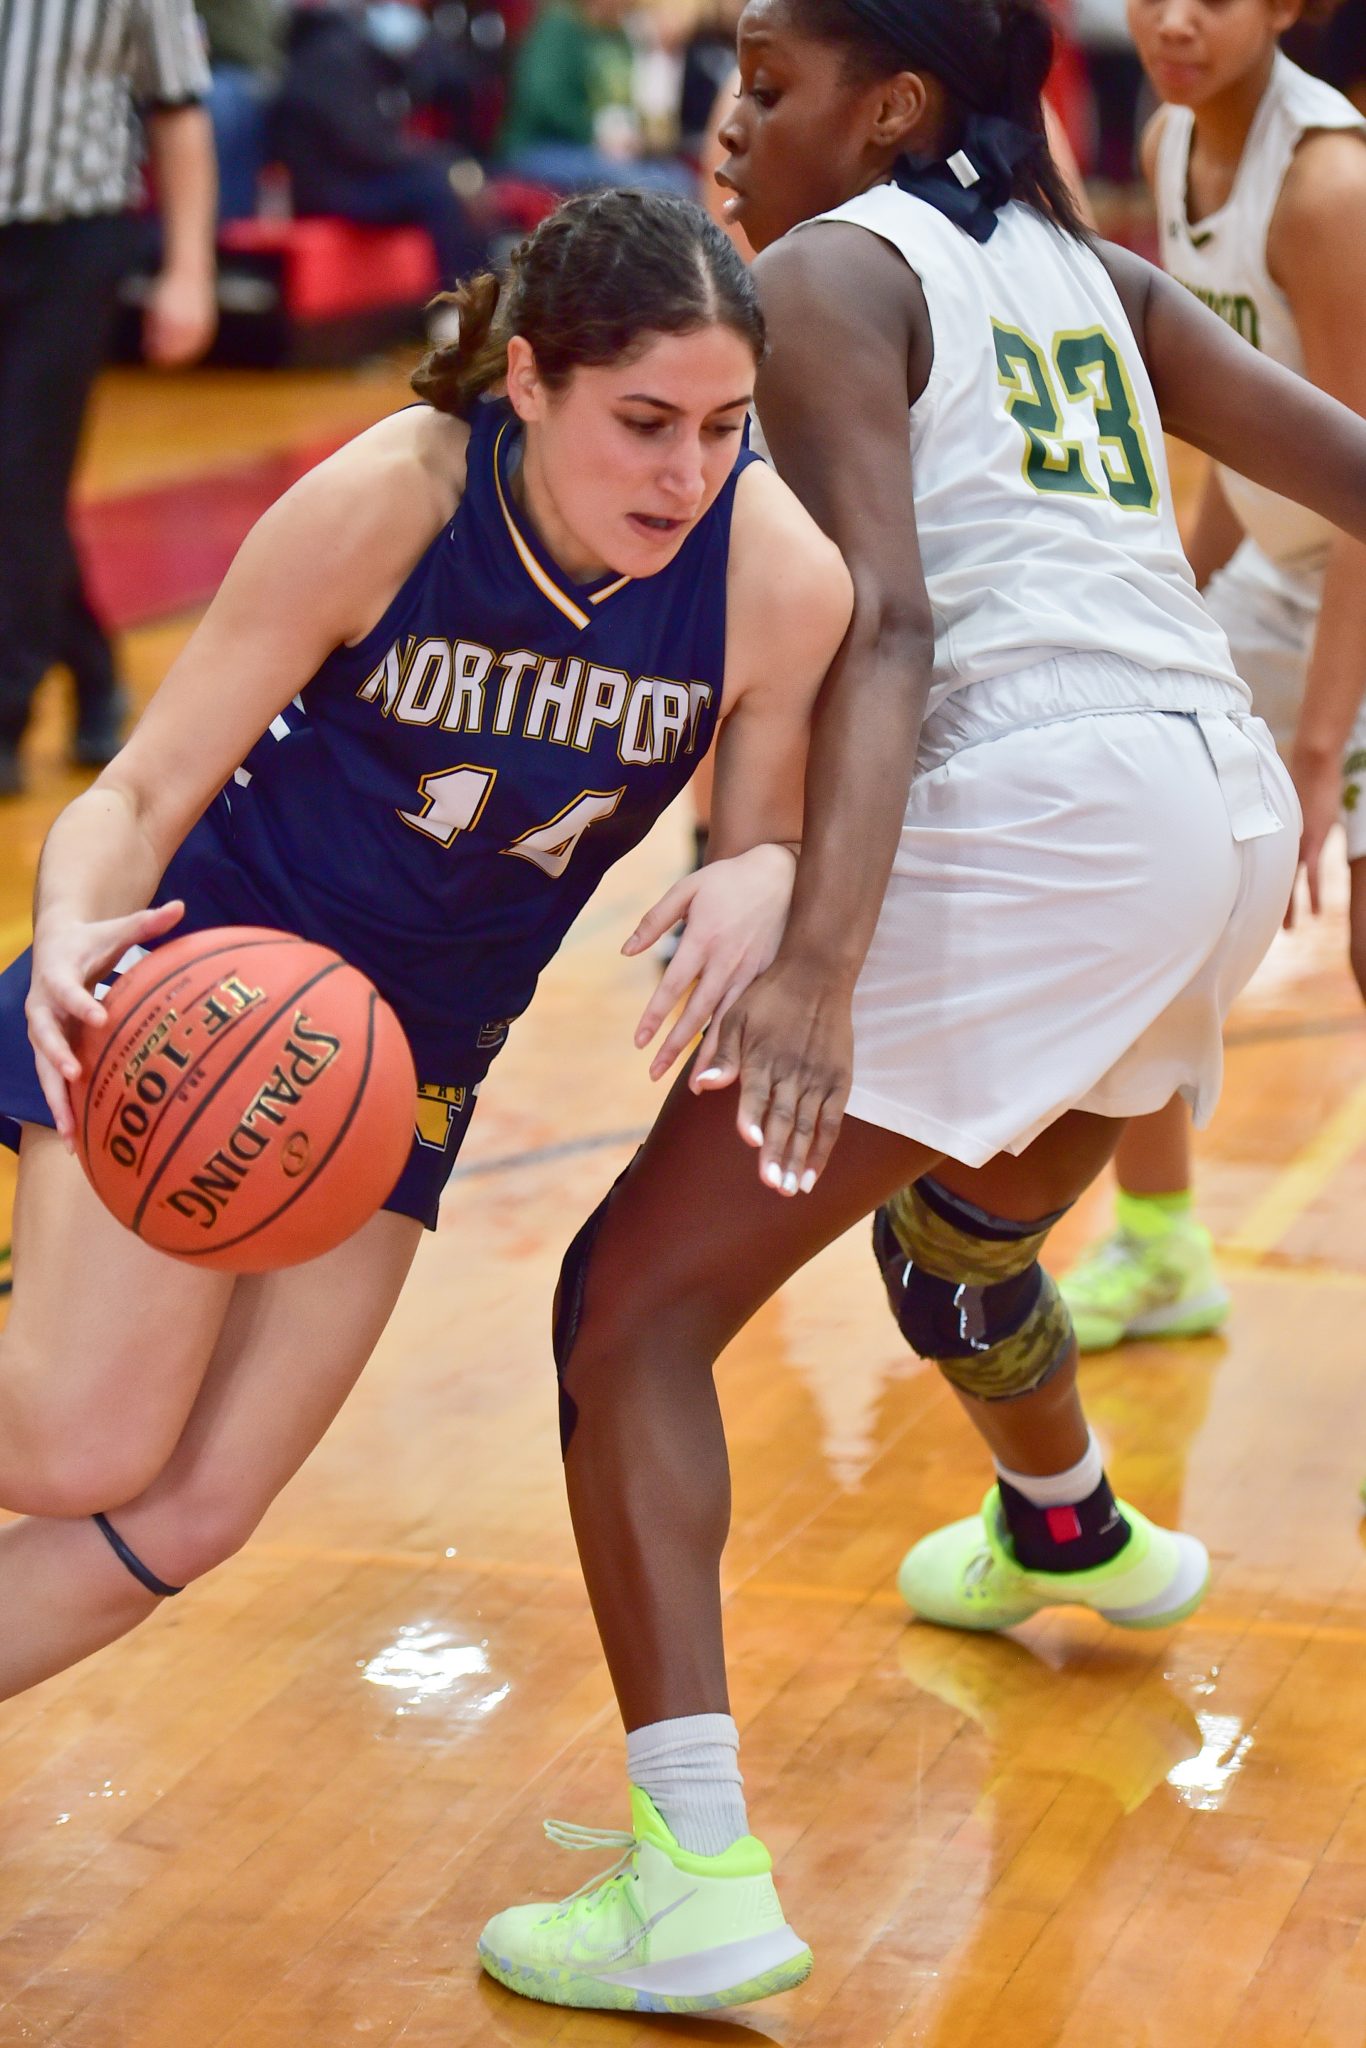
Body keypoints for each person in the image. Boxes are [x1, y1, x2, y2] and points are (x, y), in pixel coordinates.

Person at [477, 0, 1366, 2014]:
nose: (732, 127)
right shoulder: (1089, 269)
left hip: (1033, 801)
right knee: (958, 1227)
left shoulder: (822, 267)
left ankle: (688, 1870)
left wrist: (812, 958)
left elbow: (881, 618)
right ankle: (1063, 1527)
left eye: (770, 89)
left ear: (889, 107)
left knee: (628, 1310)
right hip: (1200, 809)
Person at [0, 190, 852, 1813]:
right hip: (208, 979)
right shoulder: (393, 498)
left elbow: (773, 832)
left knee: (189, 1513)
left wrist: (767, 873)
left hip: (405, 1073)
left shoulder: (773, 580)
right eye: (645, 424)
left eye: (726, 428)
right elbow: (139, 788)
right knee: (74, 1447)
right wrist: (66, 931)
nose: (687, 475)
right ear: (527, 381)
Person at [1059, 0, 1366, 1353]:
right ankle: (1162, 1249)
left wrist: (1315, 753)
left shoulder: (1326, 186)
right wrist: (1169, 595)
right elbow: (1256, 424)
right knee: (1136, 873)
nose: (1174, 18)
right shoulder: (1169, 127)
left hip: (1354, 578)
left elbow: (1359, 485)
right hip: (1277, 575)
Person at [0, 0, 218, 796]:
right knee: (23, 497)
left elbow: (179, 105)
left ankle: (6, 717)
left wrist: (189, 270)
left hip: (67, 242)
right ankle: (92, 667)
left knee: (22, 477)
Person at [269, 0, 488, 285]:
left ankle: (478, 289)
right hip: (327, 189)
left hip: (341, 180)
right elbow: (363, 145)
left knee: (446, 179)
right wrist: (442, 162)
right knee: (437, 187)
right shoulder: (331, 51)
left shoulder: (343, 47)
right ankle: (462, 297)